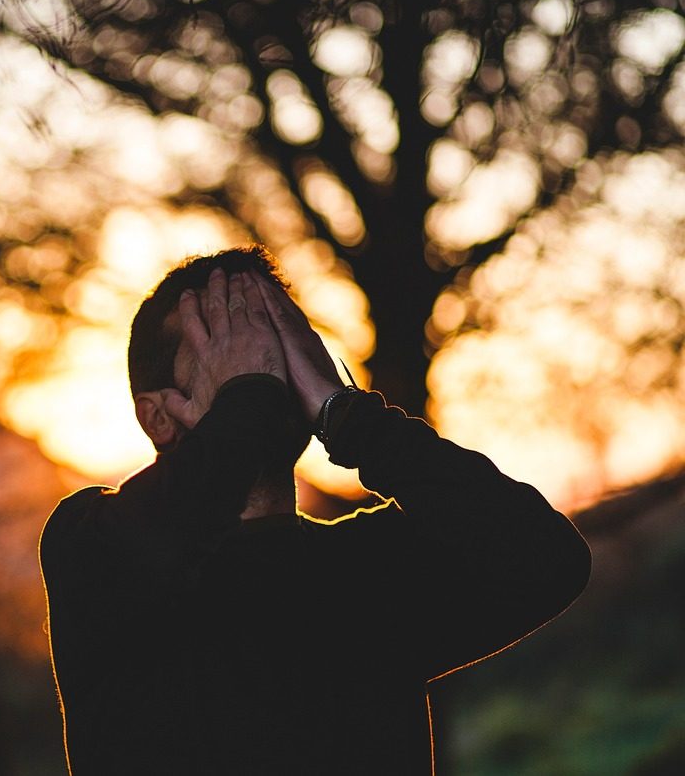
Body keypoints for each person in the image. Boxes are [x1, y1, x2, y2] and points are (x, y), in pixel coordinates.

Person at [39, 245, 591, 775]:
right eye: (228, 345)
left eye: (276, 340)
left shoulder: (372, 567)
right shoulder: (92, 544)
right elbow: (166, 530)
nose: (263, 363)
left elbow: (548, 558)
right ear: (157, 417)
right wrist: (248, 397)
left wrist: (345, 414)